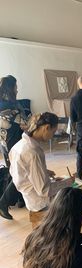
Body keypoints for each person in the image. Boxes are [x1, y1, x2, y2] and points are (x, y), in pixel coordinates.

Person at [9, 112, 74, 228]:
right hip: (39, 202)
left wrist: (43, 170)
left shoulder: (19, 145)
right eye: (53, 132)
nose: (53, 136)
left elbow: (21, 170)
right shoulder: (33, 152)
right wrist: (67, 182)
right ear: (46, 128)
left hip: (29, 196)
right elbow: (44, 190)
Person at [0, 75, 27, 220]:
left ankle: (21, 199)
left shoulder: (1, 103)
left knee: (13, 171)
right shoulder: (11, 107)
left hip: (5, 143)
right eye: (15, 86)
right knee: (18, 173)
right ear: (11, 88)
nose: (17, 89)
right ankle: (3, 203)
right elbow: (25, 123)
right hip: (15, 144)